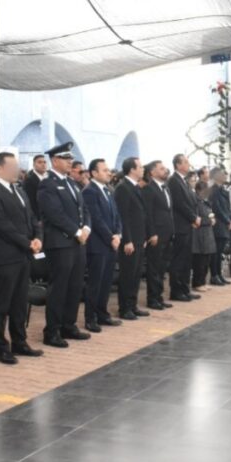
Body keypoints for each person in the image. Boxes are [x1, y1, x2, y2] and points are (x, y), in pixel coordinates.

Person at [0, 152, 43, 365]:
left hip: (24, 255)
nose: (17, 170)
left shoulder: (19, 190)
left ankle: (20, 341)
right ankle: (1, 346)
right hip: (5, 256)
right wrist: (27, 243)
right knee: (3, 304)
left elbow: (33, 219)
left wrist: (37, 238)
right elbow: (2, 225)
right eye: (12, 166)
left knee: (19, 301)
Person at [37, 142, 92, 347]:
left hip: (78, 243)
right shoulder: (47, 183)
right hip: (60, 243)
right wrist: (76, 231)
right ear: (55, 160)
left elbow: (84, 209)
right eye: (66, 159)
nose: (71, 162)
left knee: (75, 286)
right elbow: (54, 214)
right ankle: (52, 331)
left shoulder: (71, 183)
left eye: (71, 159)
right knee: (59, 288)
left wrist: (86, 228)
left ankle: (69, 325)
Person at [82, 158, 123, 333]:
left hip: (111, 243)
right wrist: (110, 238)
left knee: (106, 282)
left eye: (108, 170)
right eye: (104, 170)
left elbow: (116, 216)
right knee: (95, 283)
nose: (109, 173)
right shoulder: (89, 191)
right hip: (98, 244)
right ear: (94, 173)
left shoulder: (108, 190)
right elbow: (96, 219)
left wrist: (119, 234)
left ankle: (102, 314)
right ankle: (90, 318)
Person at [113, 157, 150, 321]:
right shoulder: (123, 188)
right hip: (129, 240)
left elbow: (140, 215)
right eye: (140, 167)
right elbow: (123, 216)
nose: (143, 170)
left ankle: (133, 305)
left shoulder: (135, 187)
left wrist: (143, 237)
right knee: (128, 274)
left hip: (138, 238)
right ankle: (125, 308)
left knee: (136, 274)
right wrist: (127, 240)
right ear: (132, 169)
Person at [166, 154, 200, 302]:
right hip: (180, 226)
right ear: (178, 165)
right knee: (179, 260)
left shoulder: (183, 181)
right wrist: (193, 217)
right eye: (185, 162)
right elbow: (180, 204)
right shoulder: (174, 181)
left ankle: (185, 289)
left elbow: (192, 201)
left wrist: (195, 216)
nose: (188, 164)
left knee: (187, 260)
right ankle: (177, 291)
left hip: (188, 225)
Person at [142, 160, 174, 311]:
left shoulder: (165, 188)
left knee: (162, 268)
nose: (165, 170)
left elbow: (168, 211)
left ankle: (159, 297)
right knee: (154, 268)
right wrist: (152, 233)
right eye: (161, 169)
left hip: (167, 233)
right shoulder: (149, 189)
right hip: (156, 235)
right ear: (152, 172)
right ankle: (152, 298)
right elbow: (148, 214)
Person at [190, 181, 217, 291]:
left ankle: (203, 281)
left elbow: (209, 214)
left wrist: (212, 219)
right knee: (199, 261)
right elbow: (197, 218)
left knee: (206, 260)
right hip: (199, 235)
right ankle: (197, 283)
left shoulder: (205, 202)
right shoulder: (195, 202)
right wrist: (209, 221)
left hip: (208, 234)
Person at [208, 167, 231, 286]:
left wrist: (230, 218)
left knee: (220, 251)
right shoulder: (213, 190)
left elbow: (227, 206)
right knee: (216, 252)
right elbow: (217, 208)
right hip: (219, 224)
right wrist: (227, 220)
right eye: (223, 174)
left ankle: (219, 274)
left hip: (225, 223)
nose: (225, 176)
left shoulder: (222, 189)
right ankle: (214, 275)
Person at [24, 154, 48, 220]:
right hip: (39, 217)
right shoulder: (29, 180)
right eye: (40, 162)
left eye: (44, 162)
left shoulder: (49, 178)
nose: (43, 164)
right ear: (34, 165)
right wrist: (37, 219)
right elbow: (30, 202)